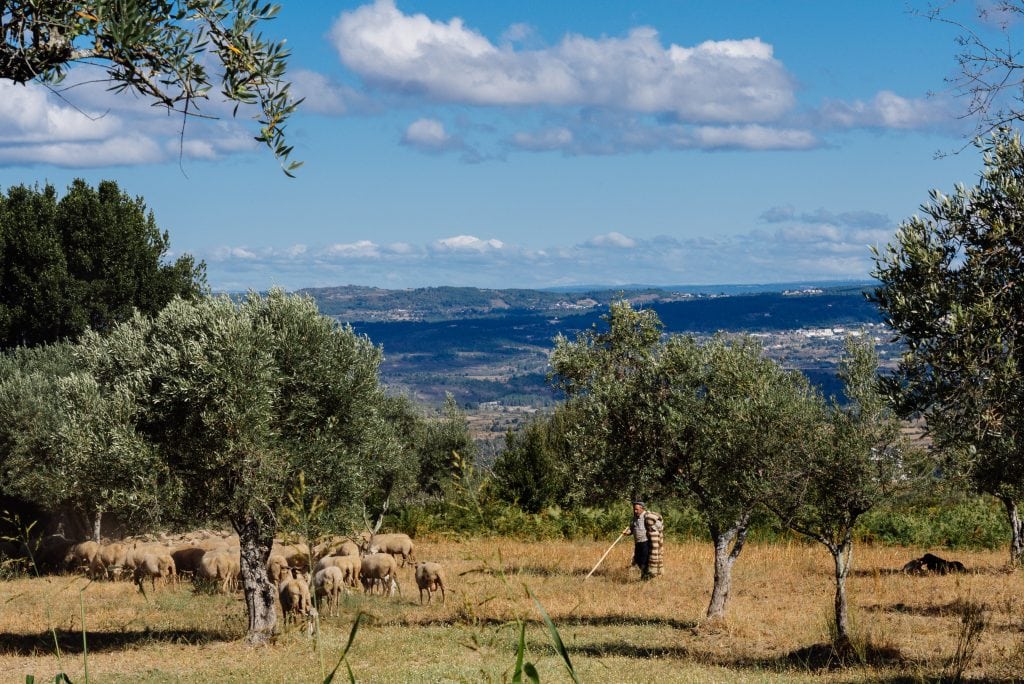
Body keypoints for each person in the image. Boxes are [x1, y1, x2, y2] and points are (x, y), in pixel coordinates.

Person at [622, 500, 662, 579]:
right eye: (634, 509)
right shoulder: (634, 518)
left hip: (645, 542)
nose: (635, 511)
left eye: (637, 509)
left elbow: (659, 525)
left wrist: (654, 529)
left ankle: (645, 577)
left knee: (645, 561)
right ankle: (646, 575)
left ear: (642, 508)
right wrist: (627, 532)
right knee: (638, 560)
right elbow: (632, 529)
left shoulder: (647, 517)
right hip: (637, 543)